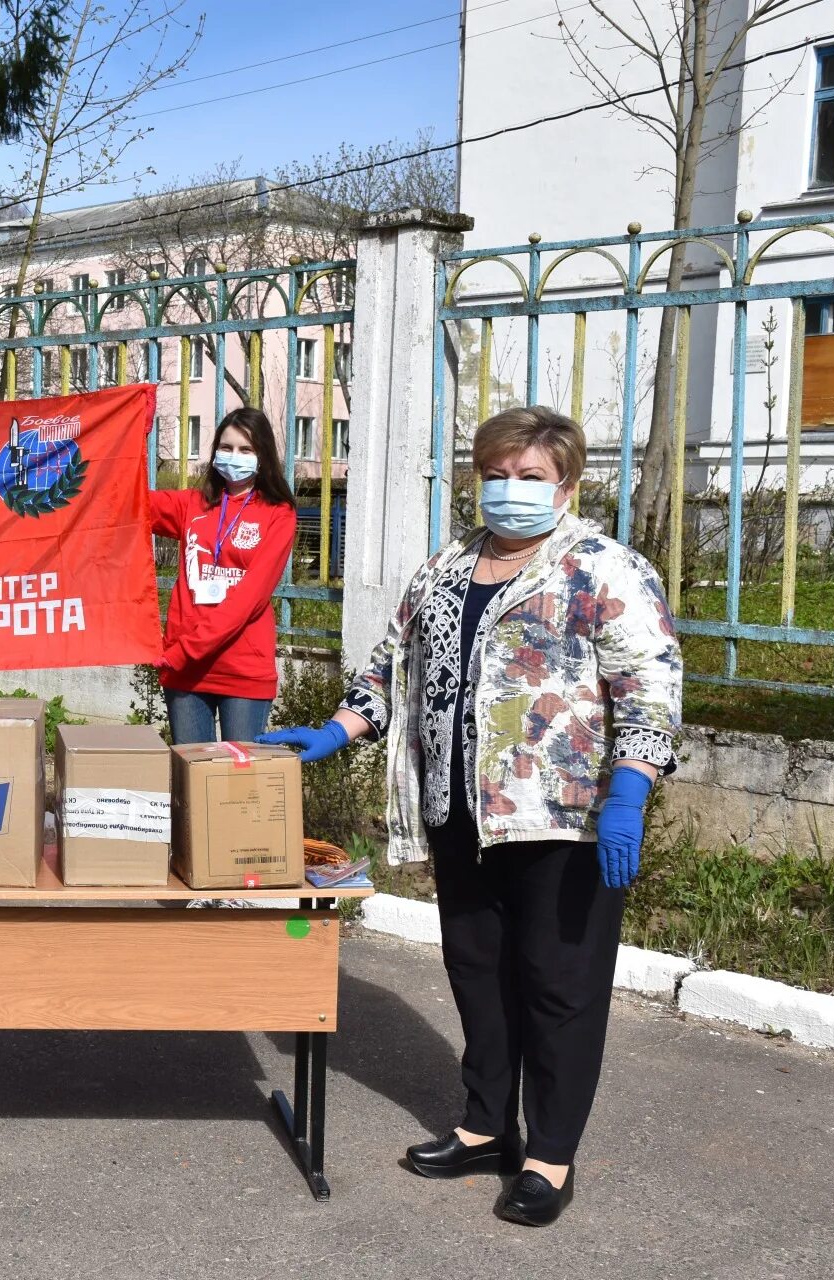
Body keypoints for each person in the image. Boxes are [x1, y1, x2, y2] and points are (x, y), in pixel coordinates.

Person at [261, 407, 681, 1227]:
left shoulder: (604, 568)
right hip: (459, 811)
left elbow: (650, 686)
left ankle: (550, 1157)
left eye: (530, 476)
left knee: (559, 988)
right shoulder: (447, 566)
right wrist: (337, 729)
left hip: (563, 818)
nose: (510, 488)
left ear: (566, 486)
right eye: (497, 473)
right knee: (478, 973)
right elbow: (390, 666)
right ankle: (488, 1125)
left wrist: (630, 791)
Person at [147, 406, 298, 745]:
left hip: (241, 669)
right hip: (187, 673)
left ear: (262, 456)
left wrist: (183, 651)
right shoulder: (192, 504)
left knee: (238, 776)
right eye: (226, 448)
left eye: (246, 450)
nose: (234, 456)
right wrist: (133, 436)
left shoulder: (279, 514)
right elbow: (127, 502)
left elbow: (249, 599)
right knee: (191, 772)